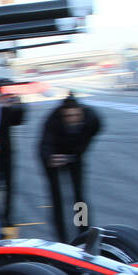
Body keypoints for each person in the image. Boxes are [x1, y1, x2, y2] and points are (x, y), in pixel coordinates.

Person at [39, 93, 101, 242]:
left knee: (79, 197)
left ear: (81, 112)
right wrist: (50, 159)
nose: (71, 119)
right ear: (62, 114)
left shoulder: (92, 119)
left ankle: (84, 233)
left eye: (75, 115)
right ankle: (62, 239)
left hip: (74, 155)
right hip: (53, 154)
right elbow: (44, 144)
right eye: (67, 116)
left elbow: (90, 136)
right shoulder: (52, 120)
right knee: (57, 198)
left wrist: (79, 152)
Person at [0, 80, 25, 236]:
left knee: (8, 187)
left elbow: (19, 118)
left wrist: (17, 104)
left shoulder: (5, 107)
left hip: (5, 152)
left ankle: (6, 217)